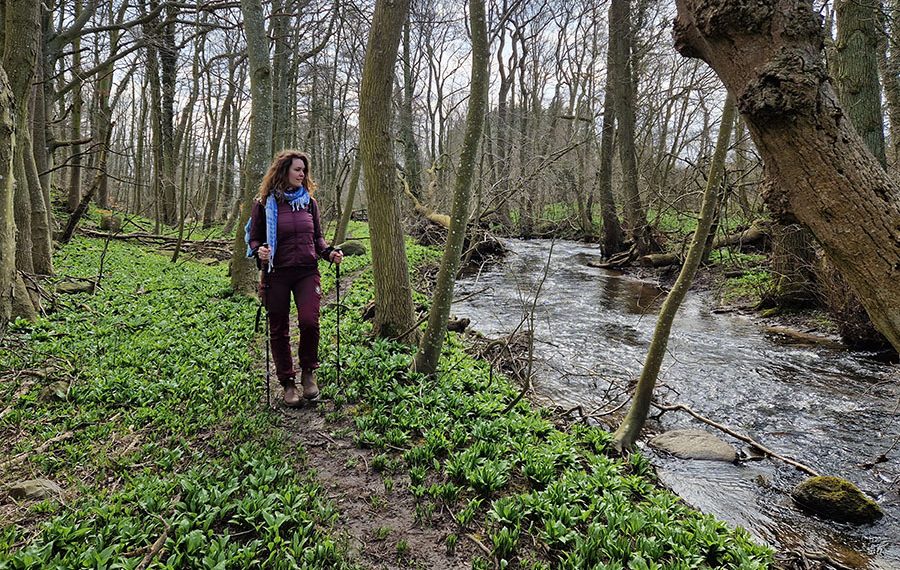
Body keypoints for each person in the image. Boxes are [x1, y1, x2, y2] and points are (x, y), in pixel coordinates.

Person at [247, 150, 343, 406]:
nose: (302, 174)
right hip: (276, 272)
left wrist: (328, 252)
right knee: (278, 329)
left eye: (304, 170)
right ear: (284, 171)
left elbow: (318, 238)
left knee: (310, 322)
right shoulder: (265, 203)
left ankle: (308, 373)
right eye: (297, 169)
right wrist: (260, 250)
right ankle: (288, 383)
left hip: (307, 271)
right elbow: (254, 237)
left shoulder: (309, 203)